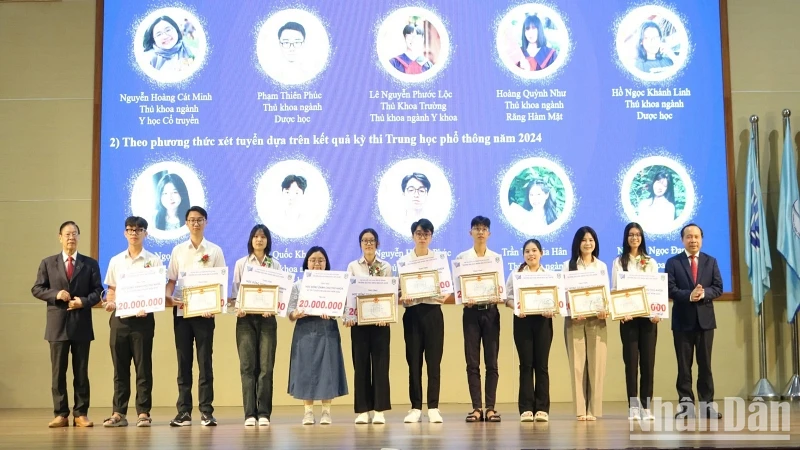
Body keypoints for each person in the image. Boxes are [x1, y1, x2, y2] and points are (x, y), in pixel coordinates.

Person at [32, 221, 103, 428]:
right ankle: (61, 413)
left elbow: (98, 291)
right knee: (58, 372)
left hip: (81, 324)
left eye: (75, 234)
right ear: (60, 237)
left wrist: (83, 301)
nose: (71, 237)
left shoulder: (90, 264)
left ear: (79, 237)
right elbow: (37, 288)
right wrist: (56, 294)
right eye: (67, 234)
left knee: (81, 372)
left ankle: (80, 413)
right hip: (57, 325)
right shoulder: (48, 263)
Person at [165, 206, 226, 427]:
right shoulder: (178, 250)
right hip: (181, 313)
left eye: (200, 220)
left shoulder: (215, 250)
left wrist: (215, 306)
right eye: (191, 220)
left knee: (205, 362)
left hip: (206, 315)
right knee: (183, 363)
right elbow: (171, 281)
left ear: (206, 222)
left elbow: (220, 283)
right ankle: (184, 412)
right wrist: (168, 298)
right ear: (186, 223)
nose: (196, 223)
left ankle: (206, 411)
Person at [101, 216, 163, 428]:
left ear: (146, 233)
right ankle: (118, 412)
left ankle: (143, 412)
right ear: (124, 233)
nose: (134, 233)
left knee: (143, 367)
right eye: (130, 229)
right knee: (120, 368)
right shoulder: (116, 260)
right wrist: (110, 303)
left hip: (144, 320)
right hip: (119, 320)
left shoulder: (153, 261)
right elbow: (111, 291)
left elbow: (157, 293)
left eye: (139, 230)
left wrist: (149, 306)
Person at [666, 223, 723, 419]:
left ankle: (707, 406)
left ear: (701, 239)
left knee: (705, 365)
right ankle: (686, 406)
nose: (693, 240)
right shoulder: (673, 263)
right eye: (689, 237)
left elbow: (718, 287)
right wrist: (690, 295)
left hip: (706, 323)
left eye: (696, 237)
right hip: (682, 322)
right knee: (684, 367)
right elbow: (670, 289)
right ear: (682, 240)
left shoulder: (711, 261)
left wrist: (703, 293)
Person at [288, 247, 348, 425]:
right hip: (305, 329)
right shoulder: (298, 285)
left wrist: (332, 313)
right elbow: (290, 312)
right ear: (306, 263)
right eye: (313, 260)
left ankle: (326, 412)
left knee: (328, 368)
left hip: (327, 328)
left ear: (326, 264)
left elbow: (342, 309)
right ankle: (308, 412)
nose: (317, 263)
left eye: (321, 260)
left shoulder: (334, 284)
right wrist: (296, 313)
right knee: (306, 369)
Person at [230, 225, 281, 427]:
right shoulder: (241, 263)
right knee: (247, 367)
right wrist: (239, 307)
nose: (259, 240)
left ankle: (264, 413)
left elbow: (279, 294)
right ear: (251, 240)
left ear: (268, 241)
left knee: (266, 368)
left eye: (263, 237)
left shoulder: (274, 265)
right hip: (245, 320)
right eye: (256, 236)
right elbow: (235, 294)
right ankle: (249, 413)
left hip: (268, 320)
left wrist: (273, 307)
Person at [399, 219, 448, 423]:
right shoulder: (403, 262)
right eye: (419, 233)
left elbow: (446, 290)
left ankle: (434, 407)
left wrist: (442, 295)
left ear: (431, 237)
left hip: (433, 313)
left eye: (426, 234)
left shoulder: (439, 260)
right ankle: (416, 407)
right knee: (414, 362)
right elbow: (400, 293)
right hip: (412, 314)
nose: (422, 237)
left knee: (434, 362)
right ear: (413, 236)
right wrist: (404, 296)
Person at [455, 216, 503, 423]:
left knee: (492, 362)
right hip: (471, 313)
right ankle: (476, 408)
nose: (481, 232)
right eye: (477, 228)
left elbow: (500, 288)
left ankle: (490, 408)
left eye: (484, 229)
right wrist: (464, 298)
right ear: (470, 232)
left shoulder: (496, 258)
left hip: (491, 312)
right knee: (472, 363)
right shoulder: (462, 258)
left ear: (489, 233)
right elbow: (458, 290)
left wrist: (497, 295)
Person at [611, 222, 659, 421]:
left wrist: (657, 312)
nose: (634, 238)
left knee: (648, 362)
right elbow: (615, 289)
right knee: (631, 363)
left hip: (648, 319)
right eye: (631, 234)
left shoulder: (650, 262)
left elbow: (657, 289)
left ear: (642, 238)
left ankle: (646, 407)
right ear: (626, 238)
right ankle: (633, 406)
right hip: (628, 319)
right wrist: (621, 312)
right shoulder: (618, 262)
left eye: (638, 234)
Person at [345, 229, 393, 425]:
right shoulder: (353, 267)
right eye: (364, 240)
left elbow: (390, 294)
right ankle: (363, 410)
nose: (368, 244)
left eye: (372, 240)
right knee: (361, 366)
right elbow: (348, 294)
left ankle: (380, 410)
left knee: (381, 366)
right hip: (359, 324)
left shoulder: (386, 266)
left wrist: (387, 316)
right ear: (360, 244)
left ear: (377, 243)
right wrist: (348, 316)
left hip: (381, 323)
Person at [562, 226, 608, 421]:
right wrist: (572, 311)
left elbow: (606, 293)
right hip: (575, 320)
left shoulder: (601, 266)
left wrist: (605, 308)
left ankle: (594, 410)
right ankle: (581, 409)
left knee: (597, 365)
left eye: (591, 240)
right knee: (578, 365)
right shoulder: (568, 266)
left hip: (598, 319)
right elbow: (564, 293)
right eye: (584, 240)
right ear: (577, 243)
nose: (588, 243)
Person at [505, 239, 553, 423]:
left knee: (542, 365)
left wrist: (552, 309)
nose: (531, 254)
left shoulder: (549, 276)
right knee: (526, 365)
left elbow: (555, 301)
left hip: (542, 322)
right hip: (522, 322)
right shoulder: (516, 275)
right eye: (527, 251)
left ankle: (542, 408)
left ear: (541, 253)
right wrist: (516, 308)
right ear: (523, 255)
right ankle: (526, 408)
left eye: (534, 250)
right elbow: (507, 298)